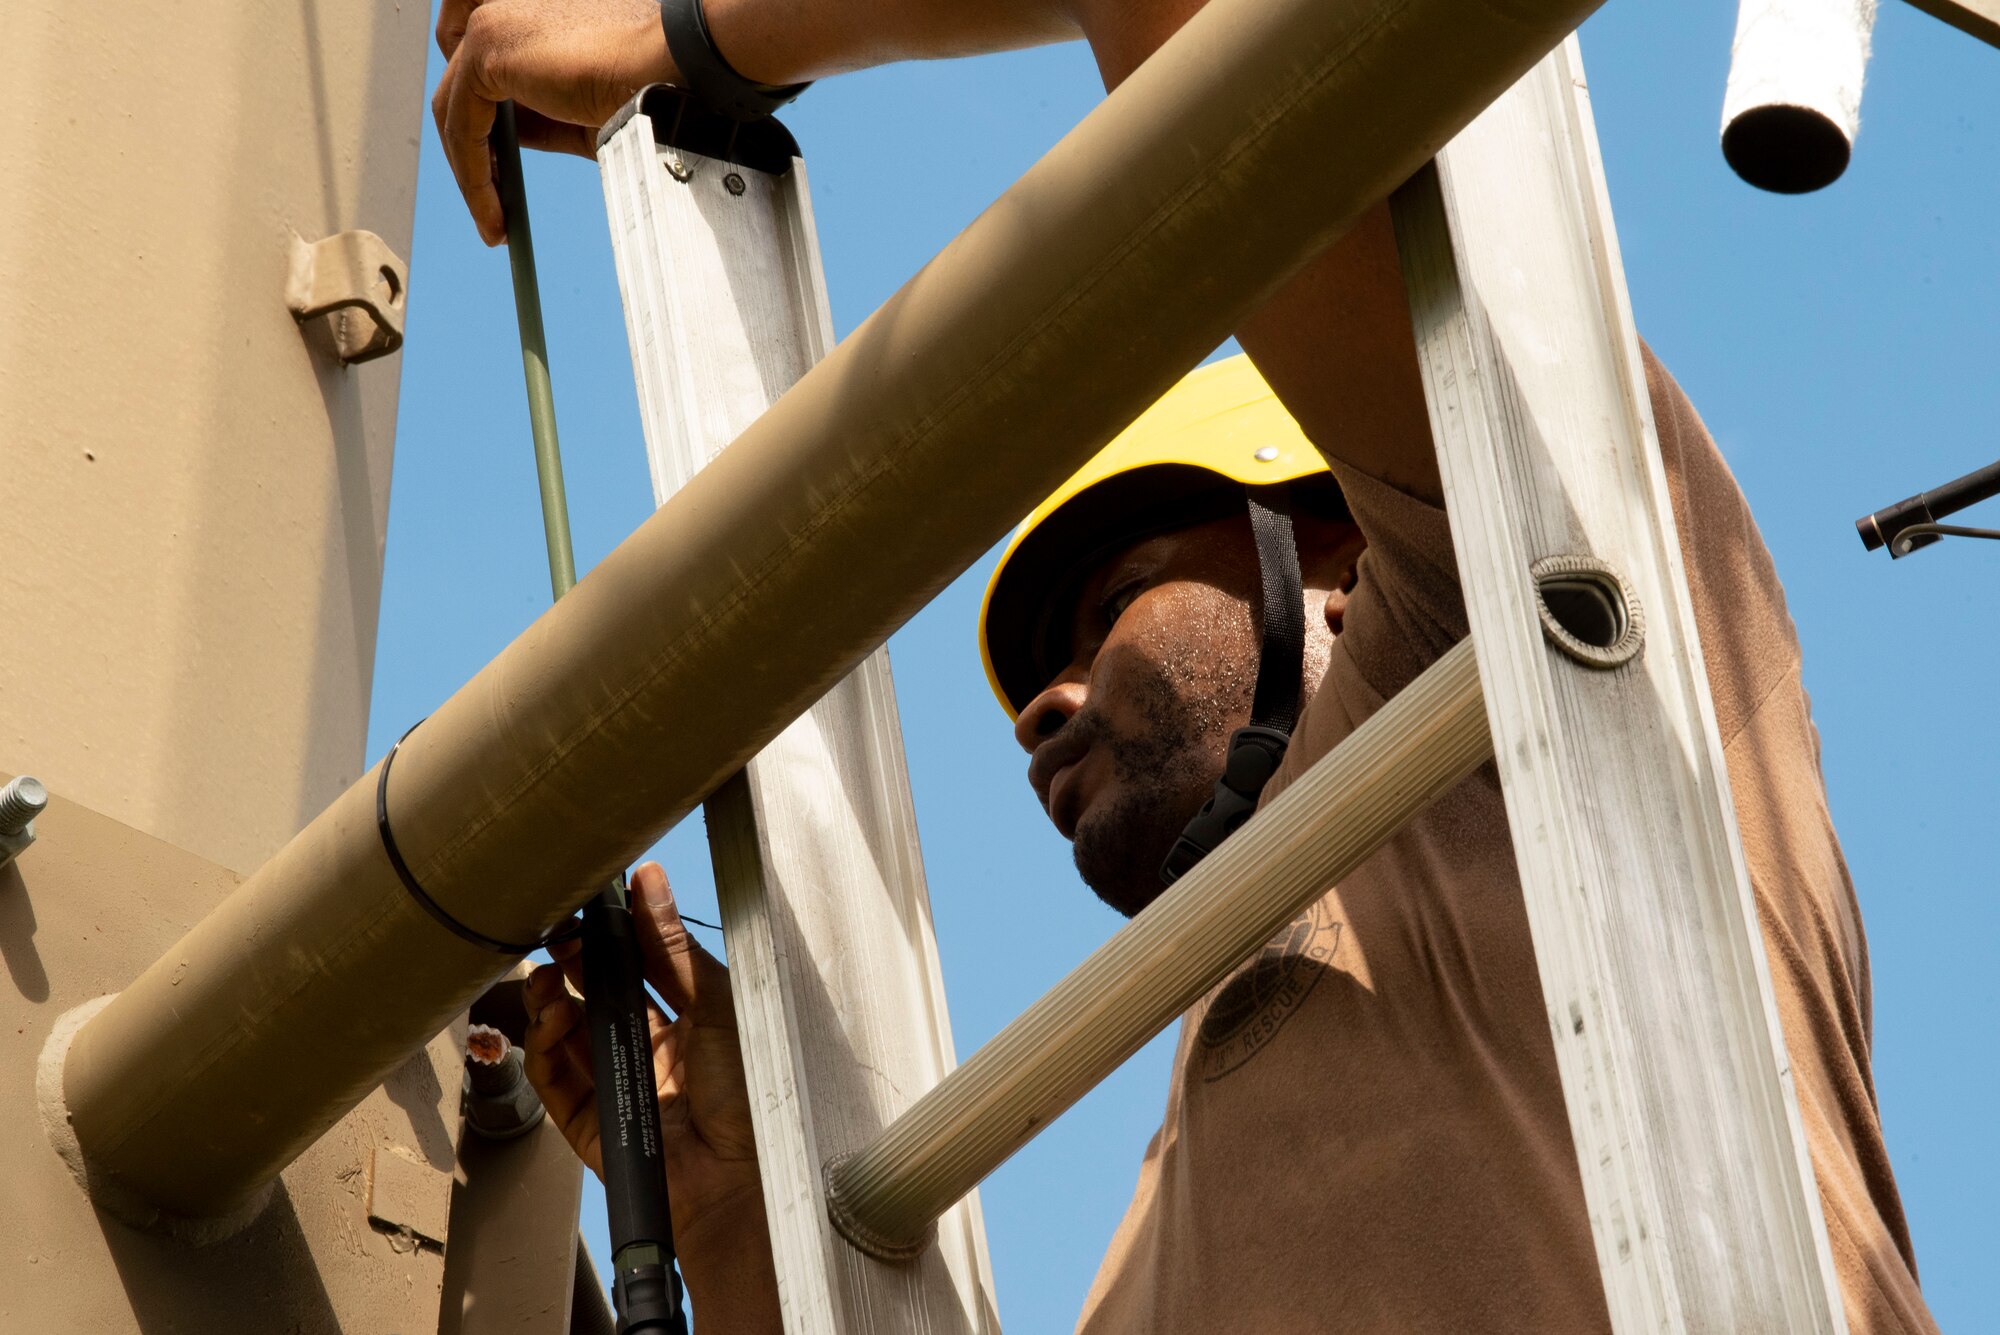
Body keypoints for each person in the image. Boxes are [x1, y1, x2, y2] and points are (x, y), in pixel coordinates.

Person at [456, 3, 1941, 1330]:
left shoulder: (1576, 599)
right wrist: (732, 1219)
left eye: (1118, 599)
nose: (1040, 704)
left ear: (1334, 551)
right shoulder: (1155, 1252)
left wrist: (688, 35)